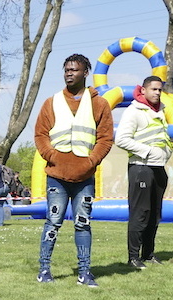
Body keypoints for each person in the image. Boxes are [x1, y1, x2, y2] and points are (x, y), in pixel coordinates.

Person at [34, 53, 114, 287]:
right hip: (57, 176)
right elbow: (40, 135)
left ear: (86, 72)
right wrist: (53, 157)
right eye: (66, 70)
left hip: (85, 177)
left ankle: (85, 272)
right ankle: (44, 269)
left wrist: (91, 161)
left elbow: (106, 138)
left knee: (83, 222)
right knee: (53, 221)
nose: (69, 73)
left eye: (74, 70)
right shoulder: (51, 102)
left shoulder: (99, 103)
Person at [115, 75, 173, 269]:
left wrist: (164, 155)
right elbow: (121, 139)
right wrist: (148, 152)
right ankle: (133, 257)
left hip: (159, 168)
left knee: (155, 214)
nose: (157, 93)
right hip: (141, 168)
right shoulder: (134, 111)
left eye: (160, 89)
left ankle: (148, 254)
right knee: (140, 214)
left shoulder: (160, 111)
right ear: (143, 90)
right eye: (154, 89)